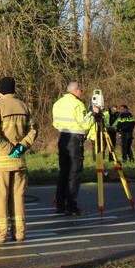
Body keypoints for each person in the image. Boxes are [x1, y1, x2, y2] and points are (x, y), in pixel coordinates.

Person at [0, 76, 38, 243]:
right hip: (19, 161)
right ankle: (20, 233)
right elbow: (34, 131)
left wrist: (9, 150)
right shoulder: (24, 106)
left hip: (2, 162)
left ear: (0, 90)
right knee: (18, 199)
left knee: (0, 199)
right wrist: (20, 149)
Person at [51, 81, 97, 216]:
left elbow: (55, 123)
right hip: (75, 140)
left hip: (63, 138)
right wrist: (92, 114)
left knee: (64, 172)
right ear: (76, 90)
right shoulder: (77, 104)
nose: (81, 92)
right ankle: (71, 206)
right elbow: (85, 124)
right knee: (74, 173)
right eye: (81, 90)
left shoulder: (58, 103)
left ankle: (60, 204)